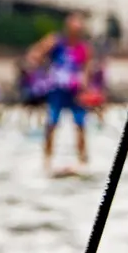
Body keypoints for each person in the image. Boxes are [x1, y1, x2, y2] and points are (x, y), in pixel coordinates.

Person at [26, 12, 92, 173]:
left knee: (80, 124)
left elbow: (86, 70)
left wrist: (84, 86)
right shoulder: (55, 41)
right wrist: (41, 71)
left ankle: (82, 160)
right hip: (56, 89)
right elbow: (35, 54)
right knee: (52, 123)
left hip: (75, 91)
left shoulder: (83, 48)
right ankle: (47, 159)